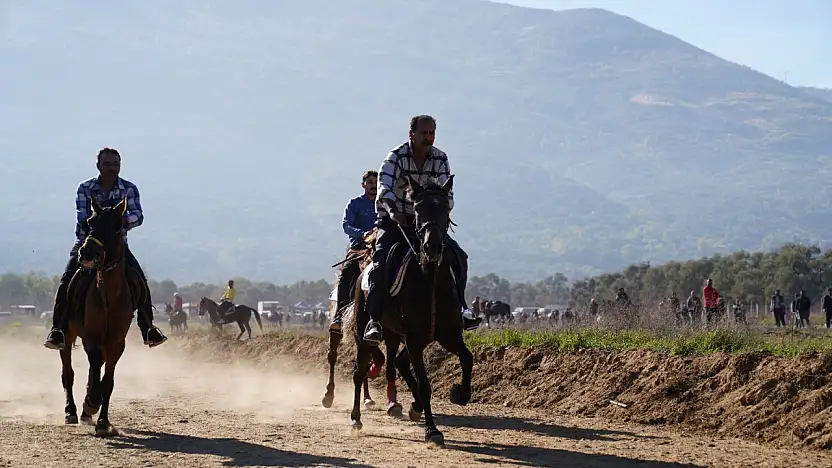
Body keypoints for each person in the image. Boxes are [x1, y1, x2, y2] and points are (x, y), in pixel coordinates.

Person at [363, 115, 481, 345]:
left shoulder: (440, 158)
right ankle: (374, 321)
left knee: (459, 256)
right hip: (395, 220)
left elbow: (448, 195)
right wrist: (394, 211)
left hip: (426, 222)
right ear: (411, 134)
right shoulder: (395, 158)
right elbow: (383, 189)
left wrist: (436, 213)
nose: (428, 137)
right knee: (380, 264)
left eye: (432, 133)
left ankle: (462, 310)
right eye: (424, 133)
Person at [44, 147, 167, 350]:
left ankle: (148, 328)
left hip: (117, 247)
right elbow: (83, 217)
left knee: (140, 281)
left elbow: (138, 216)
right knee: (66, 281)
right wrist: (102, 223)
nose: (112, 168)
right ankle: (58, 330)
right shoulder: (86, 188)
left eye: (115, 164)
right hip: (87, 244)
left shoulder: (129, 189)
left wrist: (120, 222)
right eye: (107, 164)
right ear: (98, 165)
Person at [329, 170, 378, 333]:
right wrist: (363, 234)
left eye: (376, 182)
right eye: (370, 182)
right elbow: (346, 225)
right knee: (346, 275)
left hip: (381, 247)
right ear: (363, 185)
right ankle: (338, 316)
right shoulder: (355, 204)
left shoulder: (384, 204)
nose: (373, 185)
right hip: (359, 249)